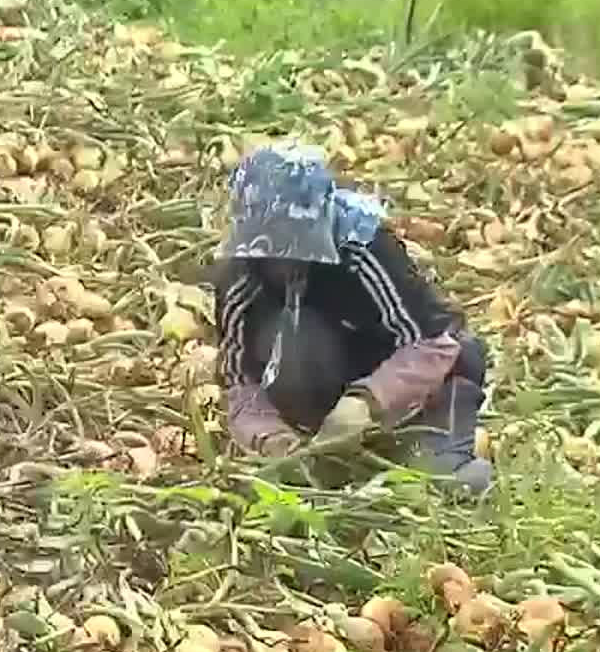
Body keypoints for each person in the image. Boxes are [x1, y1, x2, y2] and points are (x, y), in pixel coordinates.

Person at [209, 144, 493, 495]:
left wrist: (367, 401)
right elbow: (240, 383)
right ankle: (331, 458)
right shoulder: (240, 278)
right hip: (322, 407)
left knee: (436, 488)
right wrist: (272, 439)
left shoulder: (362, 248)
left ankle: (438, 460)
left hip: (420, 395)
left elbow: (433, 341)